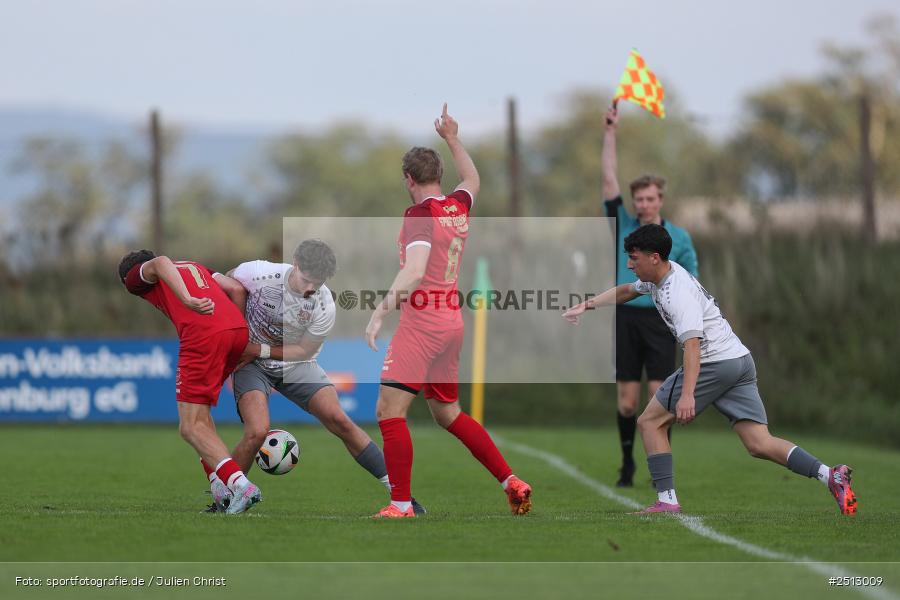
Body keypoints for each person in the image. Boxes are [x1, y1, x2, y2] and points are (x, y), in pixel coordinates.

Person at [562, 224, 857, 515]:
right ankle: (830, 475)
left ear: (654, 257)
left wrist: (688, 395)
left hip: (713, 363)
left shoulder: (677, 292)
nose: (629, 264)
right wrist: (586, 305)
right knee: (759, 443)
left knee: (650, 422)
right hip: (739, 360)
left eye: (634, 258)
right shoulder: (659, 276)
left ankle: (666, 501)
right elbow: (627, 290)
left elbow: (692, 345)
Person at [364, 103, 532, 518]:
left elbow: (415, 270)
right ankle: (511, 481)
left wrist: (381, 310)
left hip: (423, 323)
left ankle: (401, 504)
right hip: (452, 323)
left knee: (389, 411)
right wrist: (454, 138)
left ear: (409, 179)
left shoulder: (420, 214)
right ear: (437, 177)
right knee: (448, 413)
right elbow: (473, 179)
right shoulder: (457, 205)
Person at [211, 239, 425, 514]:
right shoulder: (259, 274)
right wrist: (235, 332)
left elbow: (303, 350)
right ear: (295, 265)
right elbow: (230, 283)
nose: (311, 288)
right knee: (256, 432)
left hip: (294, 363)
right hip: (250, 366)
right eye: (306, 279)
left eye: (318, 282)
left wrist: (255, 349)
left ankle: (402, 497)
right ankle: (225, 500)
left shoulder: (324, 304)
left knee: (340, 420)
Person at [117, 250, 262, 515]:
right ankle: (220, 485)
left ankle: (241, 486)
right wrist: (236, 328)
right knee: (200, 417)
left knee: (189, 427)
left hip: (204, 334)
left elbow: (160, 263)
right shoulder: (194, 265)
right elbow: (236, 289)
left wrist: (188, 300)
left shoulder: (136, 277)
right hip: (236, 331)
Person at [602, 104, 698, 487]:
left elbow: (692, 284)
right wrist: (610, 132)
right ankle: (627, 463)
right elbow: (608, 177)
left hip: (662, 322)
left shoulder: (679, 238)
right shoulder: (624, 224)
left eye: (650, 199)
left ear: (660, 200)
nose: (643, 205)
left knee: (661, 399)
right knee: (627, 402)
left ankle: (662, 467)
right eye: (638, 199)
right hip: (627, 319)